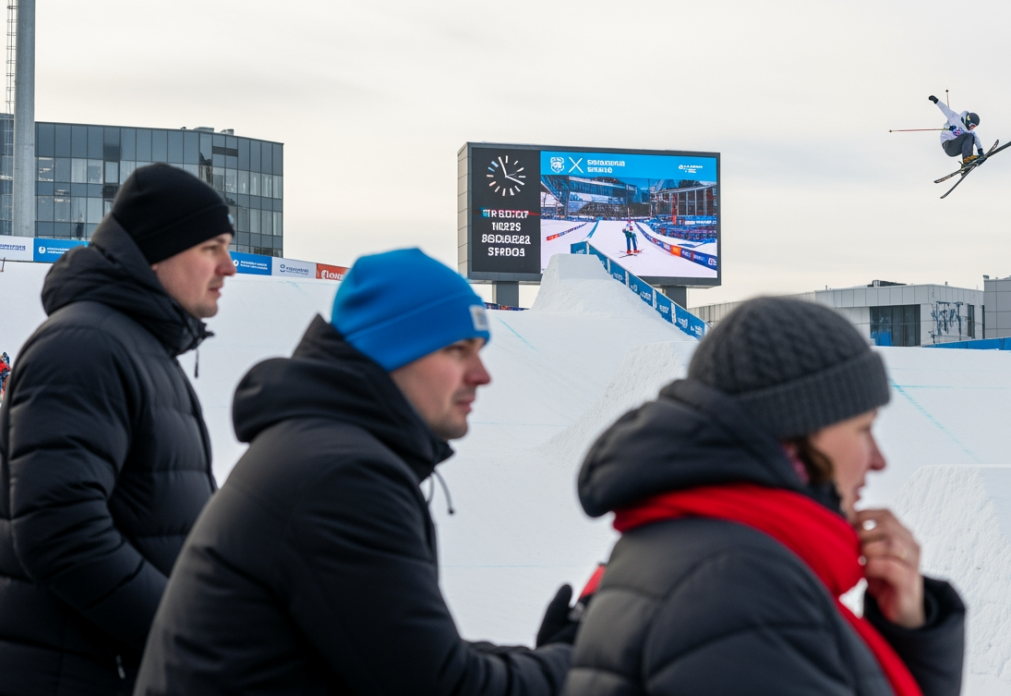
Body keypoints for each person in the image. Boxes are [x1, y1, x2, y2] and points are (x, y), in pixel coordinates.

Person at [135, 249, 578, 695]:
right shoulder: (341, 478)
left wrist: (543, 659)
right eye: (457, 350)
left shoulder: (322, 451)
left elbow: (403, 651)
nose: (482, 375)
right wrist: (576, 663)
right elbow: (438, 686)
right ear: (392, 352)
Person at [565, 297, 966, 696]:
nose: (878, 460)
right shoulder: (740, 588)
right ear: (797, 433)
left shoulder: (706, 554)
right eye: (864, 428)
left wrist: (908, 632)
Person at [0, 163, 237, 695]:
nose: (229, 267)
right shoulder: (84, 348)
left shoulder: (137, 346)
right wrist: (185, 634)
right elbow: (62, 533)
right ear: (156, 253)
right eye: (211, 248)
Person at [930, 94, 983, 165]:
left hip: (955, 150)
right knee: (968, 135)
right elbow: (945, 109)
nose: (972, 128)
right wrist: (936, 101)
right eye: (972, 125)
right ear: (968, 120)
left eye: (975, 126)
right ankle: (967, 158)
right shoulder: (955, 118)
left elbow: (976, 139)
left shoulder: (969, 132)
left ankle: (967, 161)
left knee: (971, 136)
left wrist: (980, 150)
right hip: (948, 144)